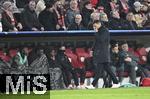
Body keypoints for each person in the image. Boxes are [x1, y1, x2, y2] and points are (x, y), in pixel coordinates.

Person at [86, 20, 119, 89]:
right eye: (93, 26)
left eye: (95, 26)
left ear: (99, 24)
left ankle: (93, 85)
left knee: (100, 70)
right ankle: (116, 82)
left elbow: (101, 40)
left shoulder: (105, 31)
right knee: (105, 70)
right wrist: (92, 50)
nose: (94, 27)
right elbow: (96, 42)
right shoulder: (99, 31)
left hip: (103, 53)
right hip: (101, 53)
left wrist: (96, 33)